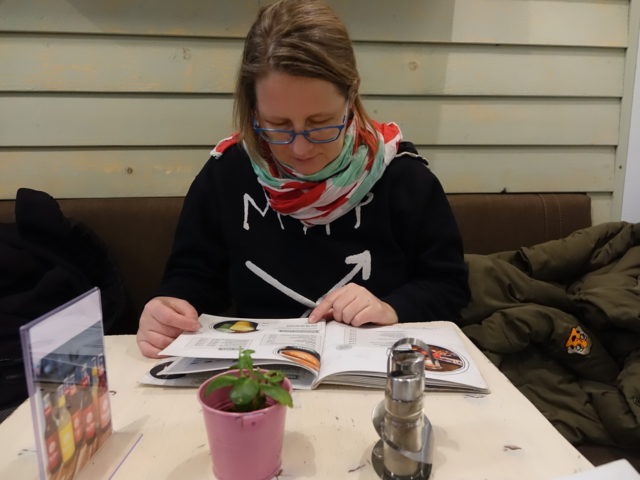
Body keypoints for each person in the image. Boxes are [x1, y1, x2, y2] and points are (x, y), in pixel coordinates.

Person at [136, 0, 470, 358]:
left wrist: (392, 307)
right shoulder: (226, 173)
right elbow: (193, 277)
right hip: (260, 370)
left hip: (371, 369)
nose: (300, 149)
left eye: (320, 123)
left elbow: (449, 289)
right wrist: (170, 308)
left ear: (351, 95)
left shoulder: (404, 177)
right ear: (253, 108)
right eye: (277, 125)